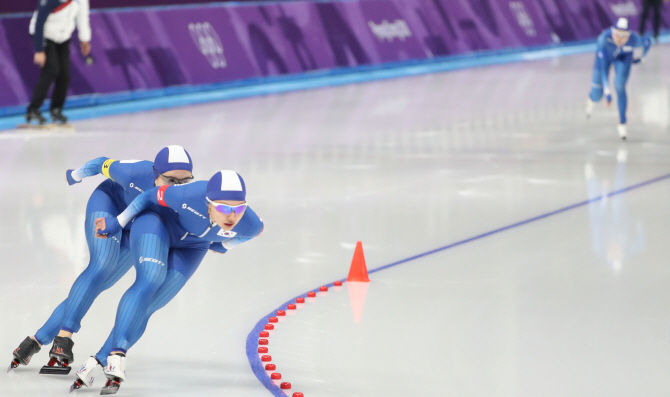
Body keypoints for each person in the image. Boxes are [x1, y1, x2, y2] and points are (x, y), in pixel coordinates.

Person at [8, 146, 194, 377]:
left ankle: (35, 341)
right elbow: (99, 163)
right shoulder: (132, 173)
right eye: (170, 180)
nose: (176, 187)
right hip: (109, 205)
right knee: (102, 264)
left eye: (184, 182)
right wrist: (74, 175)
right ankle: (64, 337)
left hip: (136, 225)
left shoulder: (189, 195)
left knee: (98, 285)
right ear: (156, 172)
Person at [84, 170, 263, 394]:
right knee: (149, 281)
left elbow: (253, 232)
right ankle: (117, 354)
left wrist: (225, 246)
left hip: (193, 246)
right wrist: (119, 222)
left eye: (238, 208)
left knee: (151, 305)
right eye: (224, 208)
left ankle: (99, 359)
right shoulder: (186, 195)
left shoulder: (249, 223)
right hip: (158, 225)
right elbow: (148, 196)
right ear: (208, 203)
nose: (232, 216)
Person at [26, 0, 91, 125]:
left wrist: (85, 39)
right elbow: (39, 22)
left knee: (65, 74)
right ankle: (33, 109)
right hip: (45, 34)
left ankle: (56, 109)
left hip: (63, 37)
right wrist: (39, 49)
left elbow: (82, 18)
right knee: (51, 70)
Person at [586, 18, 652, 140]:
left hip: (623, 59)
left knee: (620, 86)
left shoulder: (634, 40)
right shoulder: (603, 39)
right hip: (604, 59)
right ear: (612, 32)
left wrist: (643, 58)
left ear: (629, 35)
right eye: (617, 35)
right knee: (597, 94)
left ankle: (622, 122)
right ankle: (592, 99)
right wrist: (607, 93)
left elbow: (648, 41)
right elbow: (604, 69)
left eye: (624, 36)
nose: (620, 39)